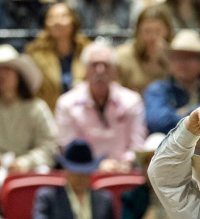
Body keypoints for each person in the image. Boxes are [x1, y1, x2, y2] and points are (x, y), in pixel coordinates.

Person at [54, 42, 146, 173]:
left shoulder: (132, 101)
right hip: (83, 172)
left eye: (106, 65)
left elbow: (137, 143)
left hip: (125, 170)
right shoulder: (66, 103)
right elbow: (67, 146)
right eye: (94, 65)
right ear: (85, 69)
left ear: (114, 70)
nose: (100, 70)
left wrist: (126, 162)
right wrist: (97, 164)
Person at [0, 44, 58, 174]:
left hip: (31, 168)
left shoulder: (37, 107)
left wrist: (24, 162)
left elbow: (49, 147)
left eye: (7, 70)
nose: (1, 76)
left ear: (19, 75)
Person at [30, 138, 117, 219]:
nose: (79, 178)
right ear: (66, 171)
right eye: (75, 173)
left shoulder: (104, 200)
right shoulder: (48, 199)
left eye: (84, 173)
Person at [26, 2, 90, 110]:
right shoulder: (35, 54)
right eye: (51, 17)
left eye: (63, 16)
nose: (57, 22)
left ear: (73, 21)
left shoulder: (87, 50)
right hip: (50, 115)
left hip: (82, 116)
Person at [116, 4, 174, 94]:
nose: (152, 37)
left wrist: (166, 60)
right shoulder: (123, 57)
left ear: (167, 31)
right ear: (138, 32)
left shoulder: (177, 56)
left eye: (158, 31)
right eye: (147, 31)